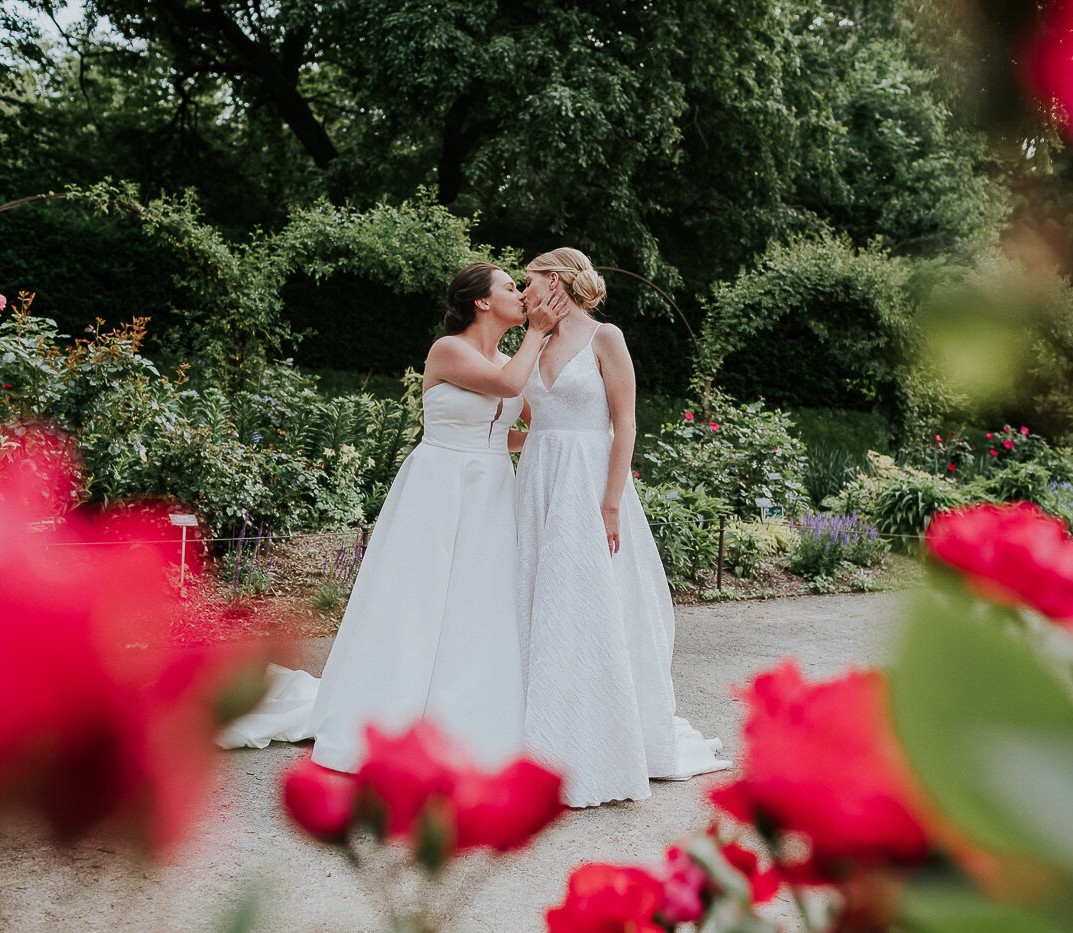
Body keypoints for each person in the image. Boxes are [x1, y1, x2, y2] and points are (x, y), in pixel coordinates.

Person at [218, 262, 568, 770]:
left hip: (491, 488)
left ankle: (463, 713)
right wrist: (539, 332)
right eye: (510, 287)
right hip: (437, 484)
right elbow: (511, 388)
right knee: (415, 597)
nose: (520, 294)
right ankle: (388, 709)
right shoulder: (449, 349)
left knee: (478, 599)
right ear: (482, 302)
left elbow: (518, 428)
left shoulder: (513, 356)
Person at [513, 247, 730, 807]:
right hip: (538, 481)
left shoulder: (606, 337)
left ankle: (597, 742)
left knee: (585, 602)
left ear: (557, 282)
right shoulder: (531, 339)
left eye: (530, 282)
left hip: (589, 483)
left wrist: (610, 503)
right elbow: (533, 423)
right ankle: (537, 738)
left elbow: (626, 421)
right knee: (536, 600)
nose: (523, 291)